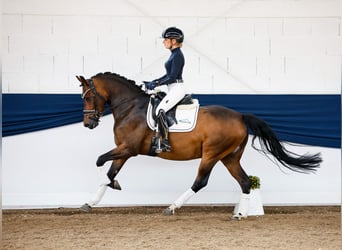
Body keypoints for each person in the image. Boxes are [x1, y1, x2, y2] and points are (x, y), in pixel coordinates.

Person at [144, 27, 186, 152]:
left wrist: (156, 84)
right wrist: (154, 82)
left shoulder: (177, 55)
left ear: (174, 41)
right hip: (172, 87)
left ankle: (164, 142)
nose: (164, 42)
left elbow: (172, 77)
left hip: (177, 88)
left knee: (160, 110)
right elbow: (168, 75)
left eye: (166, 39)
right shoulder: (174, 54)